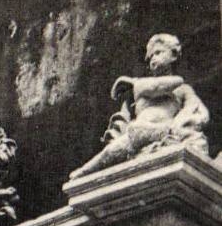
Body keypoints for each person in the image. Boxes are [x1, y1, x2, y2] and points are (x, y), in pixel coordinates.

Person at [73, 33, 211, 177]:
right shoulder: (139, 90)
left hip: (162, 129)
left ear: (173, 55)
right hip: (136, 133)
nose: (153, 59)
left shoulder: (181, 88)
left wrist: (181, 122)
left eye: (158, 53)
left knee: (136, 132)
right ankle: (82, 172)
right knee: (109, 152)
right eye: (150, 56)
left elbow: (199, 111)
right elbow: (151, 91)